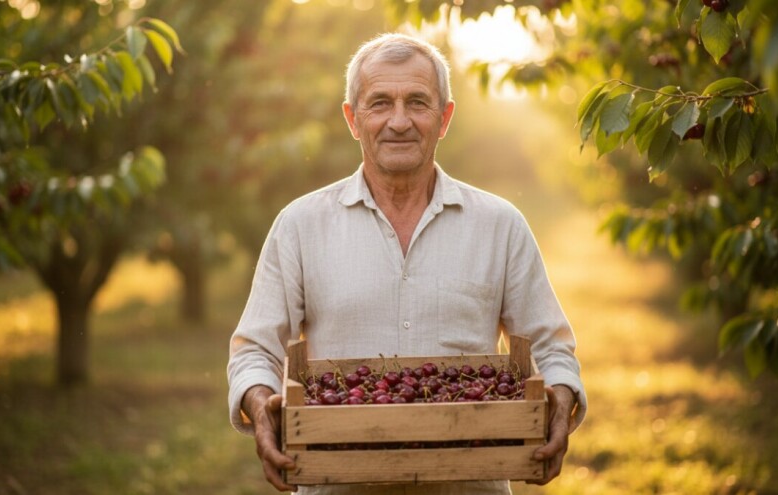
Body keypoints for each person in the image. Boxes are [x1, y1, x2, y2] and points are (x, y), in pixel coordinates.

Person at [227, 33, 587, 495]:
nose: (399, 121)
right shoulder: (301, 225)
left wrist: (560, 397)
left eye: (417, 102)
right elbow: (255, 349)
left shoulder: (500, 225)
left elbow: (551, 348)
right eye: (380, 103)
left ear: (445, 118)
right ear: (353, 119)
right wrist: (260, 405)